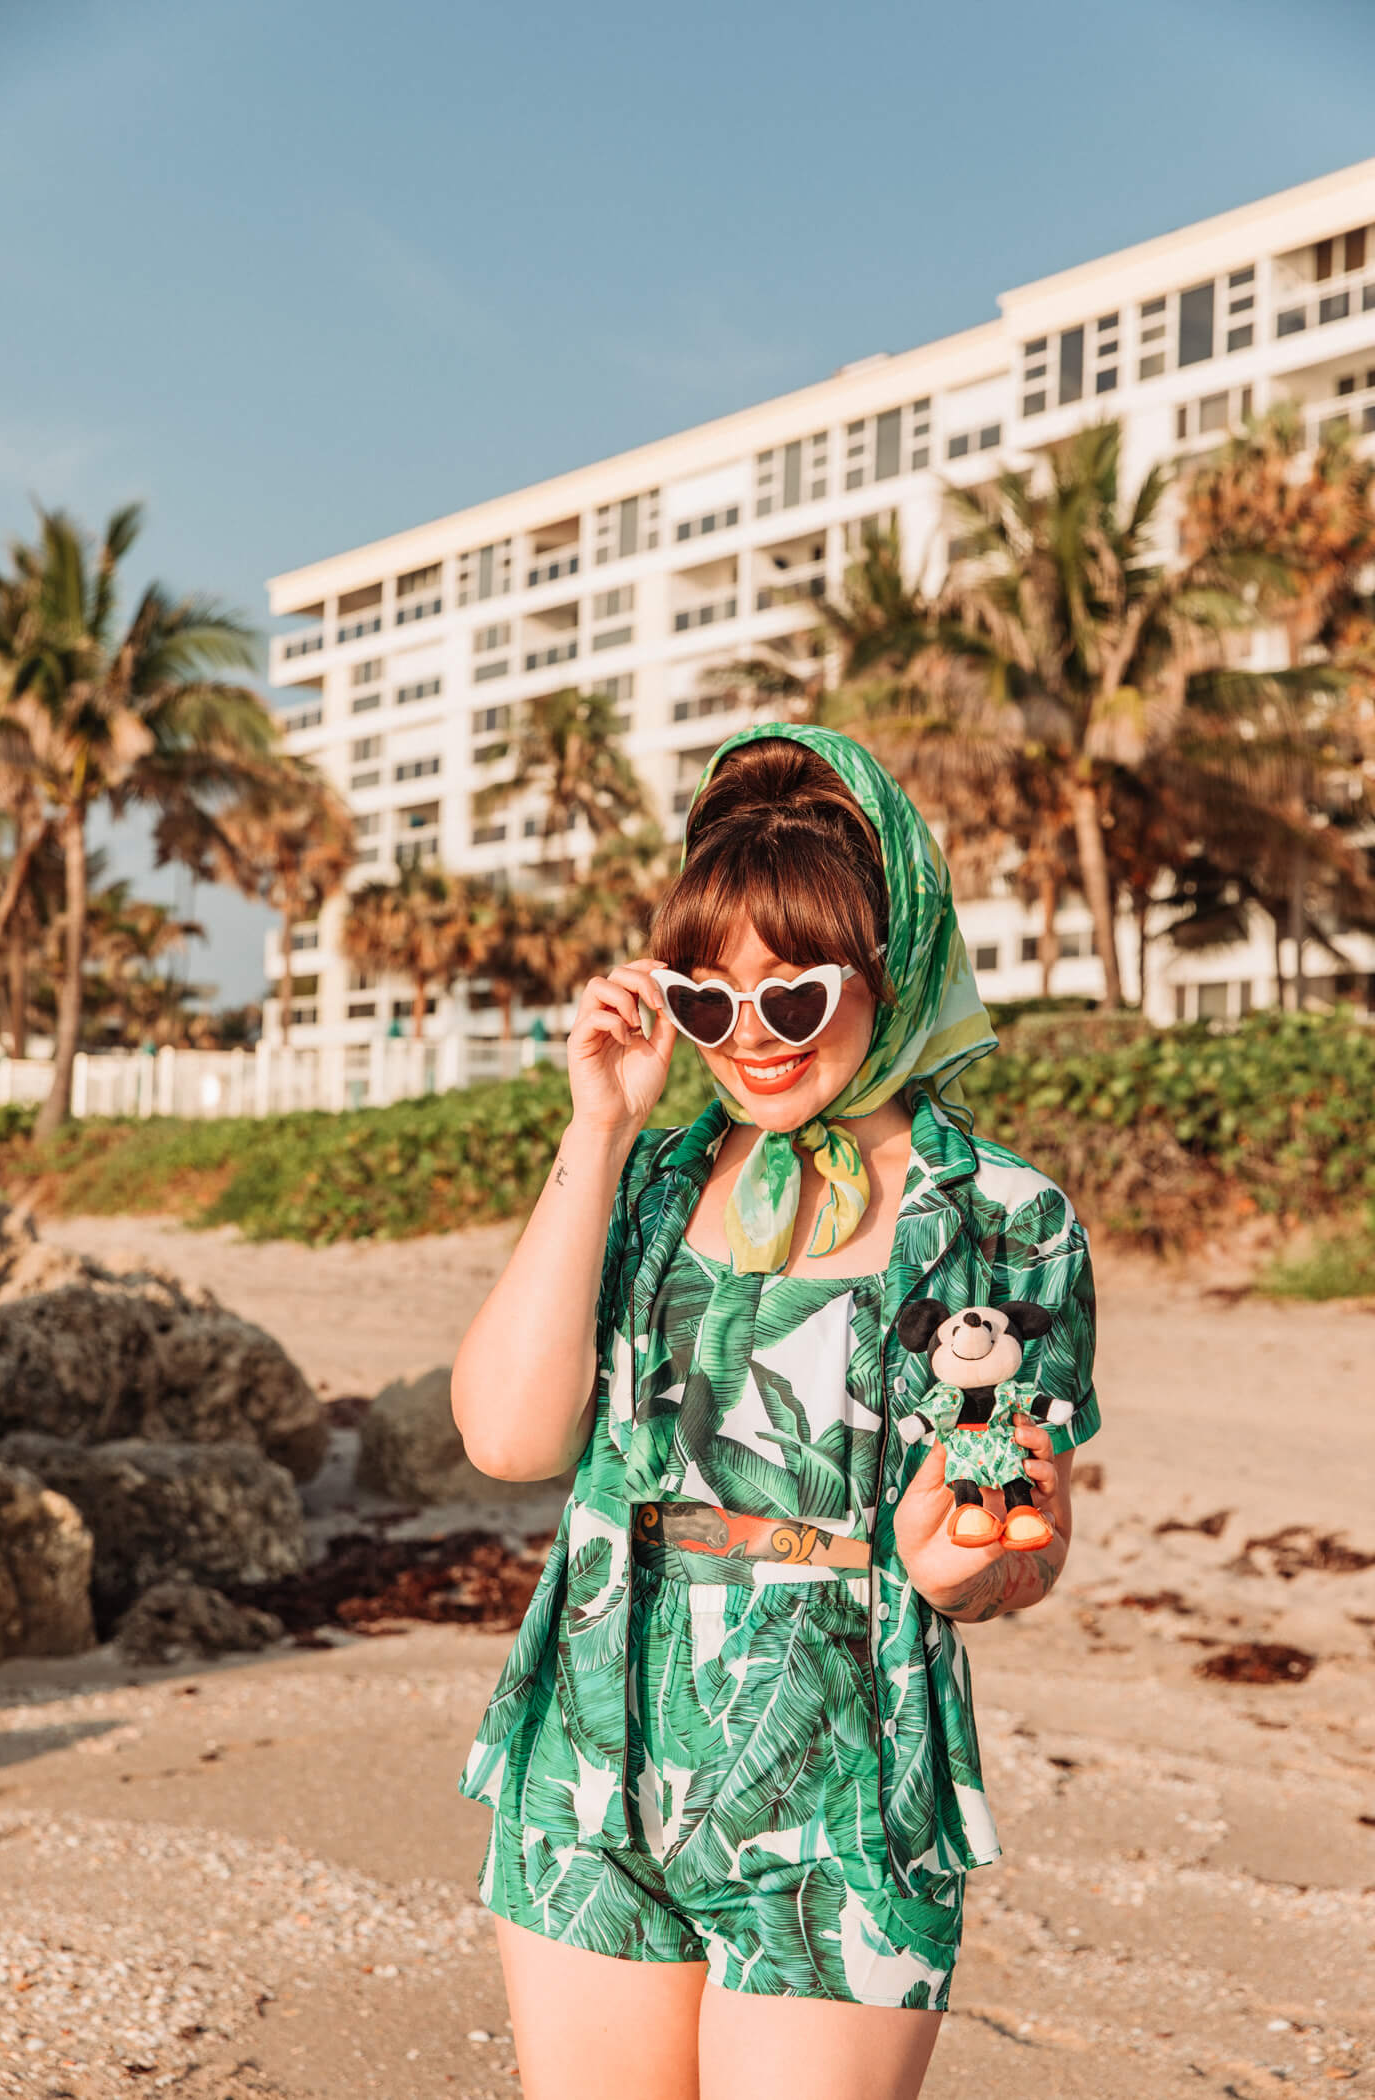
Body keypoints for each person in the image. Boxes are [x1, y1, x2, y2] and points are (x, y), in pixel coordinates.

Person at [452, 724, 1100, 2100]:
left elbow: (1005, 1557)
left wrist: (980, 1561)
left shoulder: (1001, 1219)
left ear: (892, 967)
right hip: (592, 1753)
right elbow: (510, 1440)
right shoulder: (641, 1183)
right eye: (705, 998)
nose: (747, 1038)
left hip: (845, 1781)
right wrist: (600, 1125)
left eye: (794, 997)